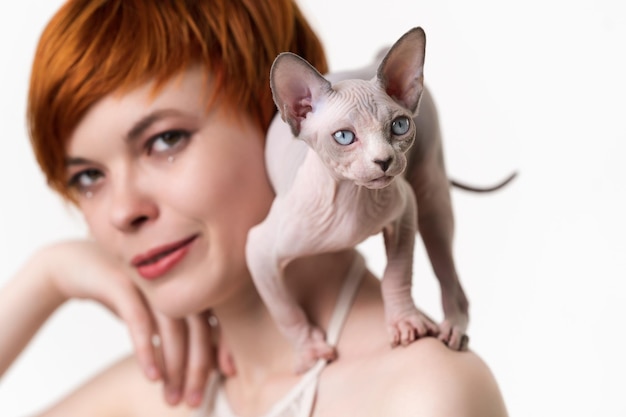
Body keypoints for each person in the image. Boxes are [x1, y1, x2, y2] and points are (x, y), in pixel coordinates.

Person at [0, 0, 509, 415]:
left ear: (284, 114)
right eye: (88, 176)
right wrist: (49, 277)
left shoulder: (422, 395)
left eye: (165, 140)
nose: (121, 212)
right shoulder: (161, 390)